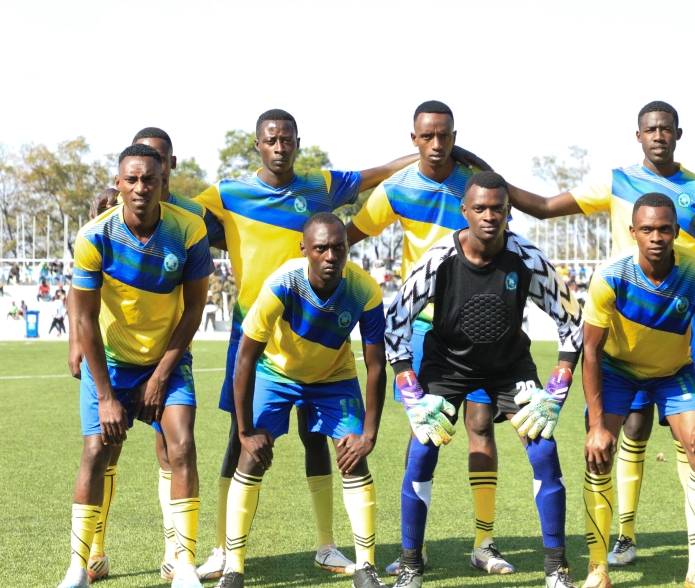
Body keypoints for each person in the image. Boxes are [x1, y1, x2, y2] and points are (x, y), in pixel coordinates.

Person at [189, 110, 476, 580]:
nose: (280, 147)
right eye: (271, 140)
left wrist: (430, 153)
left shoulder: (320, 188)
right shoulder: (227, 192)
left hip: (326, 340)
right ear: (258, 144)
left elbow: (375, 174)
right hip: (258, 331)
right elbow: (179, 214)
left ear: (298, 143)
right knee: (243, 440)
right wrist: (113, 204)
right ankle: (225, 552)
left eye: (287, 140)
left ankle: (329, 547)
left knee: (319, 440)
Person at [507, 100, 695, 568]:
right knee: (616, 439)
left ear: (678, 133)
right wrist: (484, 176)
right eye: (651, 128)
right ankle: (610, 553)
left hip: (673, 347)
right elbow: (544, 208)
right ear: (639, 134)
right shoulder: (615, 188)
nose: (659, 135)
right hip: (622, 347)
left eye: (667, 128)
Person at [383, 171, 583, 588]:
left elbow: (572, 323)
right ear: (465, 211)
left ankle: (557, 569)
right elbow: (395, 324)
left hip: (510, 367)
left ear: (508, 212)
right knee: (422, 451)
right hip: (447, 366)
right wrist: (411, 391)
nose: (489, 216)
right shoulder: (438, 258)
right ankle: (410, 567)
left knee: (544, 451)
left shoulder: (527, 258)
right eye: (480, 208)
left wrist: (556, 392)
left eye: (497, 208)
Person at [346, 100, 511, 576]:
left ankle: (484, 543)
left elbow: (502, 233)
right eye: (428, 136)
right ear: (413, 139)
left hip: (482, 325)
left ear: (456, 136)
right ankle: (410, 552)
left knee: (480, 425)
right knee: (428, 434)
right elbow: (349, 234)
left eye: (445, 135)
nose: (437, 144)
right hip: (425, 328)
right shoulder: (396, 189)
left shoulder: (475, 186)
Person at [54, 143, 213, 588]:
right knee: (95, 452)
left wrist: (161, 375)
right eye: (132, 179)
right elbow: (83, 316)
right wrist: (106, 397)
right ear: (119, 183)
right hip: (111, 363)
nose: (141, 187)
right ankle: (79, 567)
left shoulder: (190, 230)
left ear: (164, 181)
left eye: (150, 179)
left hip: (166, 359)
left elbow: (194, 310)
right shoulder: (95, 237)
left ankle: (183, 566)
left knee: (181, 446)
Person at [217, 213, 389, 588]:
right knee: (251, 455)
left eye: (338, 248)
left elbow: (377, 366)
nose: (330, 256)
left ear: (347, 249)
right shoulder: (282, 283)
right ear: (305, 250)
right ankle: (234, 568)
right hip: (277, 373)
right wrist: (245, 430)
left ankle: (365, 566)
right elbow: (245, 357)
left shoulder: (365, 289)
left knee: (353, 456)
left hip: (334, 377)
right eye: (321, 248)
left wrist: (369, 435)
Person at [579, 193, 695, 588]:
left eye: (664, 229)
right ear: (633, 233)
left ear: (677, 231)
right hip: (616, 368)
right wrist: (596, 425)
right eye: (647, 229)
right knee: (599, 453)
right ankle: (598, 568)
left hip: (672, 371)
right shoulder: (610, 275)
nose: (656, 236)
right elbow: (590, 350)